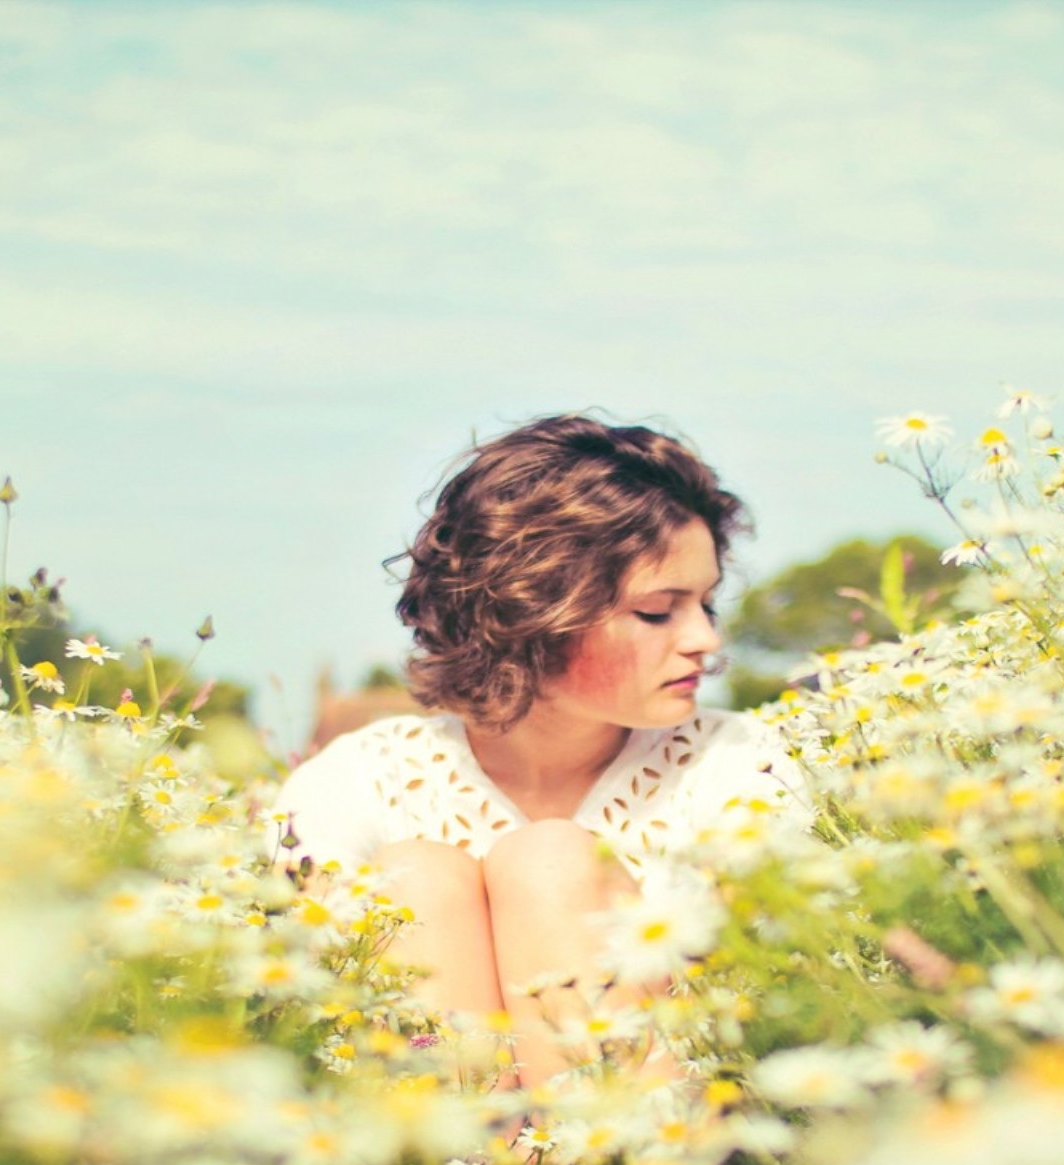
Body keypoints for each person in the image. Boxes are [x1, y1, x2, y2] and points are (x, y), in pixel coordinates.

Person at [268, 414, 807, 1086]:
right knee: (414, 879)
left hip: (674, 1157)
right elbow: (298, 1010)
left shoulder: (742, 763)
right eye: (657, 611)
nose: (706, 640)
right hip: (424, 1164)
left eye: (707, 605)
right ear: (533, 607)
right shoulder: (356, 781)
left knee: (550, 861)